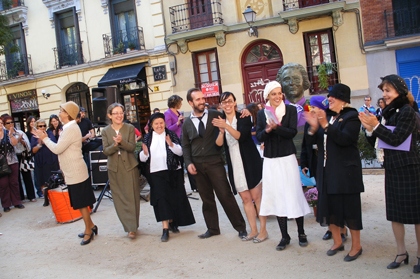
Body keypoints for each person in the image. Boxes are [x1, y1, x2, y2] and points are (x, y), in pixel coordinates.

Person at [359, 75, 420, 273]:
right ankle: (401, 252)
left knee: (417, 215)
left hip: (409, 168)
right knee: (395, 215)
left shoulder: (407, 112)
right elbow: (378, 143)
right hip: (392, 167)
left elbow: (396, 139)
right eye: (383, 90)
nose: (384, 94)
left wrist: (376, 125)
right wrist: (369, 129)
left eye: (388, 90)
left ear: (399, 92)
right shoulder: (387, 112)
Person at [305, 83, 364, 261]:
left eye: (332, 96)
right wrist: (314, 127)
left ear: (342, 99)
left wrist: (324, 124)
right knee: (330, 207)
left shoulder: (352, 117)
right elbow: (313, 140)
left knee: (350, 210)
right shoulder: (329, 116)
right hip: (326, 170)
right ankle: (337, 241)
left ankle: (356, 246)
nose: (328, 99)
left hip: (346, 172)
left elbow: (345, 139)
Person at [182, 88, 247, 239]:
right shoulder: (186, 123)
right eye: (197, 99)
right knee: (206, 198)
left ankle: (240, 227)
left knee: (225, 195)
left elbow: (232, 114)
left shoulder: (215, 114)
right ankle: (212, 228)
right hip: (197, 165)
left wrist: (245, 111)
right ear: (190, 102)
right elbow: (185, 145)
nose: (202, 101)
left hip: (215, 162)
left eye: (202, 98)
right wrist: (188, 163)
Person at [256, 81, 311, 251]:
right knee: (277, 195)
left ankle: (301, 233)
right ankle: (284, 236)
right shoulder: (261, 114)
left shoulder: (291, 110)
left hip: (287, 157)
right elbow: (259, 136)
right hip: (271, 160)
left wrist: (276, 128)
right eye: (274, 94)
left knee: (293, 193)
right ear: (267, 96)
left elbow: (292, 132)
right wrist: (267, 130)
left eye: (280, 93)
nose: (278, 97)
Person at [33, 101, 96, 245]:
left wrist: (45, 139)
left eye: (61, 110)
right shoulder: (68, 128)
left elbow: (57, 149)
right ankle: (91, 225)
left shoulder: (70, 129)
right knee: (81, 202)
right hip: (73, 171)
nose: (59, 112)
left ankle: (88, 230)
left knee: (81, 203)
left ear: (68, 114)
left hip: (76, 171)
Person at [212, 92, 266, 242]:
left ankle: (263, 230)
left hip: (250, 161)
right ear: (221, 105)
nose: (227, 105)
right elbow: (218, 146)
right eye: (224, 102)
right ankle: (253, 230)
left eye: (230, 101)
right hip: (235, 164)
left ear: (235, 102)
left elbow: (241, 136)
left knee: (257, 197)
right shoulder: (218, 121)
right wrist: (221, 132)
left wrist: (226, 126)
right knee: (246, 199)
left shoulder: (244, 116)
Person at [139, 113, 195, 242]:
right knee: (162, 200)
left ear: (164, 123)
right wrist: (145, 153)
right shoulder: (147, 138)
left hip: (173, 171)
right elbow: (142, 158)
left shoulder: (171, 134)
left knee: (174, 198)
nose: (159, 126)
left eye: (161, 123)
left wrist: (171, 145)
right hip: (156, 173)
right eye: (156, 124)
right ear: (152, 126)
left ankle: (172, 222)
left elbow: (180, 152)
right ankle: (164, 229)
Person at [301, 96, 348, 242]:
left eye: (314, 106)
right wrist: (304, 163)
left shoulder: (330, 120)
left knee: (337, 198)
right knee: (324, 196)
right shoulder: (309, 122)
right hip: (317, 162)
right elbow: (306, 144)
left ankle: (343, 229)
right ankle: (330, 228)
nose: (311, 109)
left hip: (332, 164)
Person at [102, 103, 140, 239]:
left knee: (132, 196)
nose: (119, 115)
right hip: (114, 169)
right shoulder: (105, 131)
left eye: (121, 112)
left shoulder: (129, 128)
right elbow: (106, 151)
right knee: (119, 198)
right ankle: (127, 225)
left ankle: (132, 227)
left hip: (129, 167)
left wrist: (121, 142)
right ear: (109, 115)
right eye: (116, 113)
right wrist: (115, 145)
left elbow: (131, 147)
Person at [164, 95, 197, 192]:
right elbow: (168, 129)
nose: (181, 104)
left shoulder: (178, 112)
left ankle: (194, 186)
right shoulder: (167, 113)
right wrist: (177, 123)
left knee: (188, 161)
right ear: (175, 103)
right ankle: (180, 187)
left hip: (182, 139)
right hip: (175, 142)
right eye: (180, 102)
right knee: (180, 164)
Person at [3, 116, 35, 202]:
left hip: (23, 155)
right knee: (16, 178)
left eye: (11, 122)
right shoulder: (4, 135)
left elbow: (27, 145)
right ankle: (20, 197)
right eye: (8, 123)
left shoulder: (20, 132)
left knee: (27, 175)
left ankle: (31, 195)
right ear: (4, 125)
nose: (10, 124)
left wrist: (21, 141)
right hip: (12, 157)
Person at [0, 117, 25, 212]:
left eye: (1, 123)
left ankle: (17, 202)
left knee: (14, 182)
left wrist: (10, 135)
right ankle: (6, 204)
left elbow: (14, 143)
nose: (1, 125)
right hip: (1, 163)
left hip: (12, 160)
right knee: (3, 184)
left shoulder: (8, 132)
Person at [31, 119, 60, 200]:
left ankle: (54, 197)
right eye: (40, 126)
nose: (43, 127)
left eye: (44, 125)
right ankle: (46, 198)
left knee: (53, 178)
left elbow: (54, 143)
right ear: (37, 127)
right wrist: (40, 142)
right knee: (42, 179)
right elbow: (33, 150)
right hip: (41, 161)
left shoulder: (49, 133)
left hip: (52, 159)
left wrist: (46, 138)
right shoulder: (34, 136)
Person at [276, 62, 311, 127]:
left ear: (304, 81)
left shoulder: (313, 108)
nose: (291, 83)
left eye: (296, 79)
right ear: (280, 84)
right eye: (286, 80)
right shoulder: (276, 113)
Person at [26, 116, 42, 198]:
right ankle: (39, 191)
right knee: (36, 174)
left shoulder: (38, 131)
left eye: (34, 121)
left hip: (42, 154)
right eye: (31, 121)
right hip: (33, 155)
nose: (33, 123)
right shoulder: (27, 134)